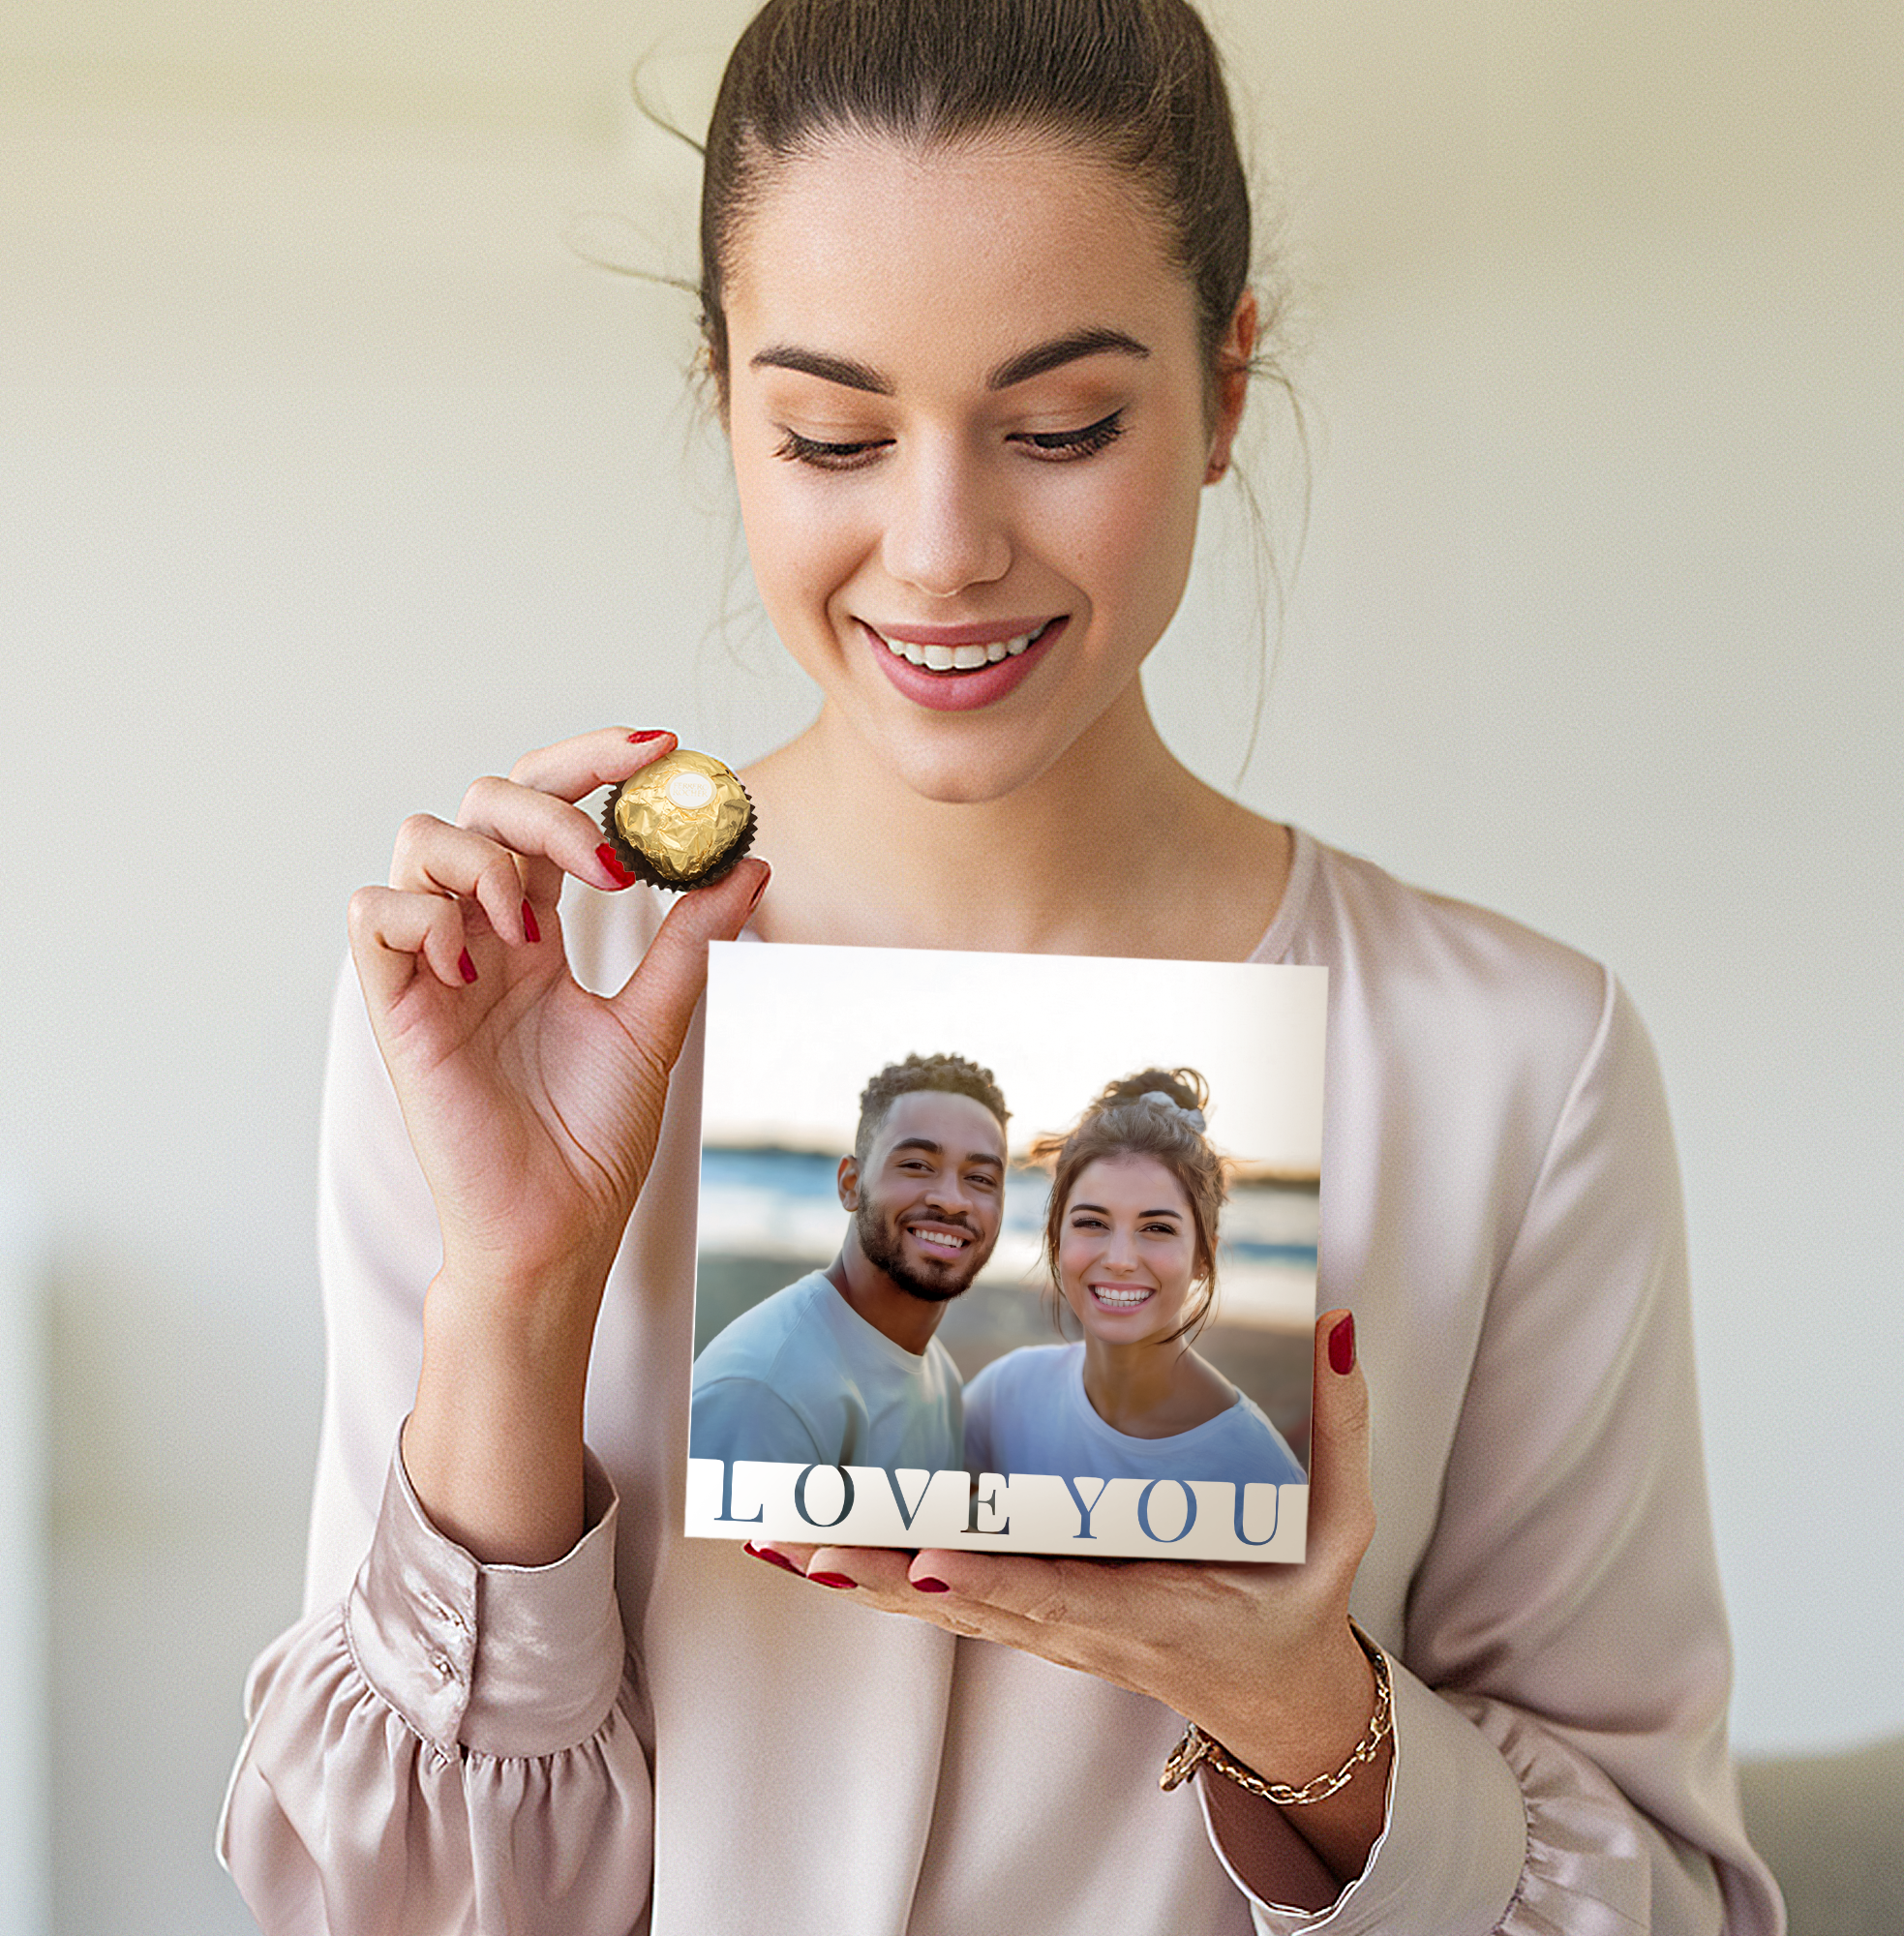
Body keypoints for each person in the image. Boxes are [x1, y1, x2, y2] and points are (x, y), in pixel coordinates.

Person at [219, 1, 1785, 1930]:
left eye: (1060, 427)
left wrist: (1310, 1718)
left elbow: (1665, 1902)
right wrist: (516, 1298)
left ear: (1226, 390)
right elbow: (394, 1906)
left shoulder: (1512, 1072)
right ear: (725, 405)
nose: (942, 546)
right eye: (832, 433)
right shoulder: (519, 1004)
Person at [964, 1069, 1307, 1490]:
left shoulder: (1257, 1472)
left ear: (1203, 1256)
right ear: (1055, 1237)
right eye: (1091, 1222)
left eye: (1157, 1228)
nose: (1120, 1260)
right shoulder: (1005, 1397)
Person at [688, 1051, 1008, 1470]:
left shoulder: (939, 1377)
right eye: (916, 1165)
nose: (951, 1200)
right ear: (850, 1184)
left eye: (980, 1178)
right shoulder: (766, 1390)